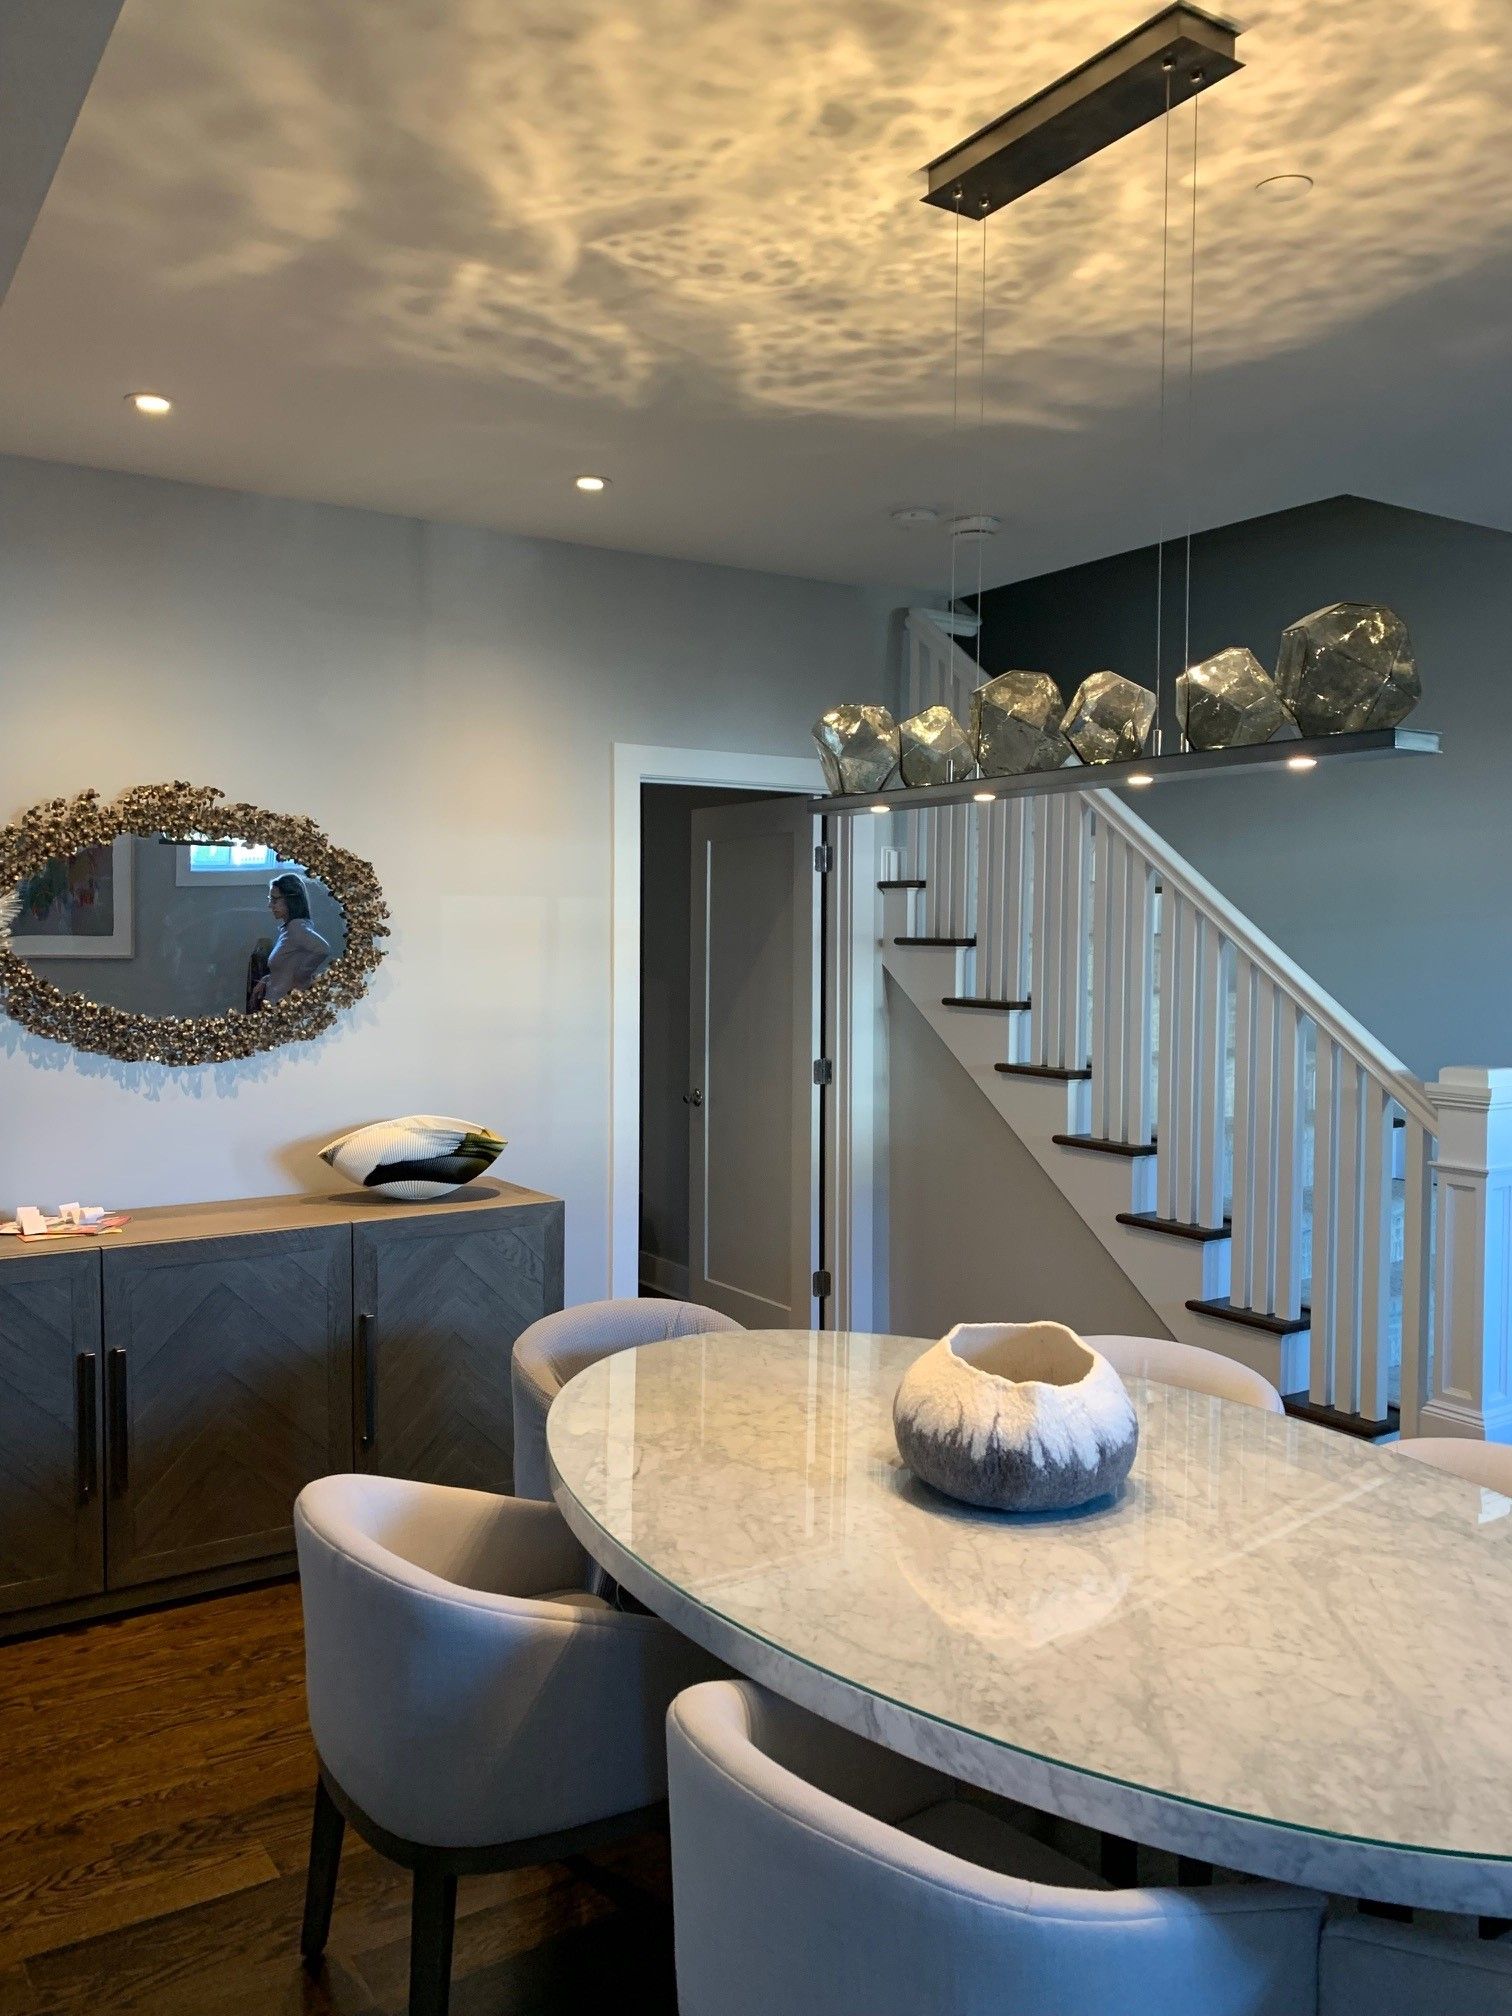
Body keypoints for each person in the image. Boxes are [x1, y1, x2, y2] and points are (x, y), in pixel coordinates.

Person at [250, 874, 331, 1008]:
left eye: (275, 900)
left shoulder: (296, 929)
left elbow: (323, 949)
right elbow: (287, 967)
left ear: (291, 900)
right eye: (270, 899)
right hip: (275, 1001)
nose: (270, 905)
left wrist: (301, 977)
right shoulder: (290, 928)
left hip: (284, 1006)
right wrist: (266, 979)